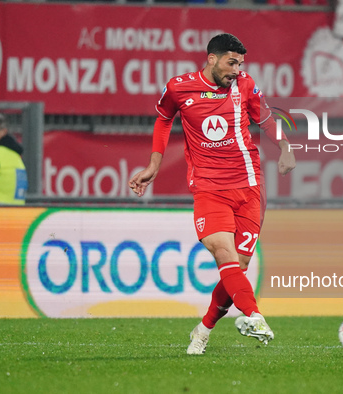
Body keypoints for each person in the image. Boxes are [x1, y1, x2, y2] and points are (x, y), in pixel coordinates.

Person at [128, 33, 295, 355]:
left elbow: (265, 117)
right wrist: (153, 166)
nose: (237, 69)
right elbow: (163, 120)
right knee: (223, 252)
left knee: (238, 266)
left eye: (240, 64)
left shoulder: (245, 85)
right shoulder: (178, 87)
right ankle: (254, 316)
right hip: (208, 188)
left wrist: (285, 147)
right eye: (231, 62)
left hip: (249, 186)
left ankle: (203, 328)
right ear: (212, 59)